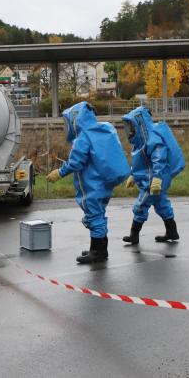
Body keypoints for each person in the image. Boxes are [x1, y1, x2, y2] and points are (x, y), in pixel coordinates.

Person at [47, 101, 130, 264]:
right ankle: (100, 249)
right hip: (104, 182)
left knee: (94, 216)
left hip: (92, 185)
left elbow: (76, 162)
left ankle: (97, 252)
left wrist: (60, 172)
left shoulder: (83, 137)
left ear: (76, 120)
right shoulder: (102, 129)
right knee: (98, 215)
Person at [121, 105, 185, 245]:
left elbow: (159, 160)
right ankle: (172, 232)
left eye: (131, 125)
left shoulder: (152, 139)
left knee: (140, 205)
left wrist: (157, 178)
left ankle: (134, 235)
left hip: (152, 181)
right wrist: (133, 175)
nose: (129, 130)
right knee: (162, 204)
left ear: (140, 123)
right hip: (151, 179)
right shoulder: (141, 141)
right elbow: (140, 162)